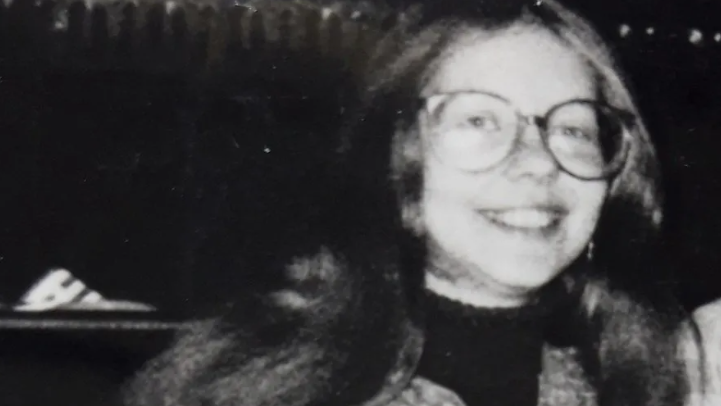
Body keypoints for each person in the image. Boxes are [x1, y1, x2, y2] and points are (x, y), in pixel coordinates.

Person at [122, 1, 721, 406]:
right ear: (390, 152)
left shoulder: (659, 381)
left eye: (573, 130)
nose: (538, 160)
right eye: (480, 120)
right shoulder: (246, 385)